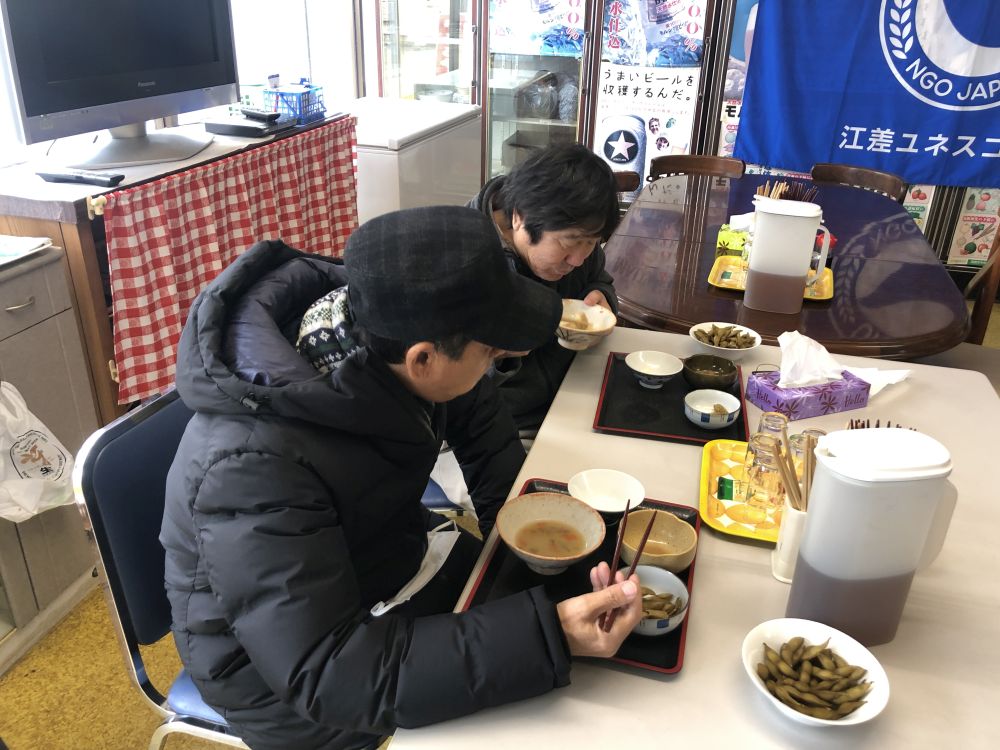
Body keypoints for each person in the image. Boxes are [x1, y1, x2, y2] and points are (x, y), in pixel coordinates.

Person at [160, 206, 642, 750]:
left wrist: (531, 552)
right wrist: (551, 635)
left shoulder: (395, 324)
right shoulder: (252, 468)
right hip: (275, 676)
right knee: (525, 713)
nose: (497, 358)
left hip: (378, 568)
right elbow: (327, 675)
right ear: (423, 360)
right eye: (488, 349)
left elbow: (484, 429)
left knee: (541, 636)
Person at [467, 142, 621, 436]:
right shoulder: (465, 260)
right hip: (509, 423)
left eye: (591, 242)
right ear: (519, 217)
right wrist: (491, 355)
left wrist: (603, 299)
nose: (578, 260)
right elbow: (441, 385)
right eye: (569, 242)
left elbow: (599, 279)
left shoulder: (581, 240)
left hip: (580, 390)